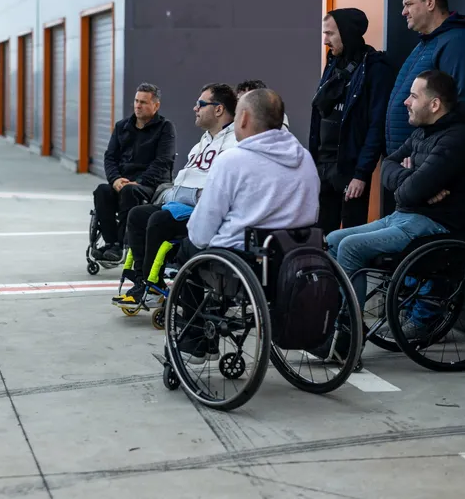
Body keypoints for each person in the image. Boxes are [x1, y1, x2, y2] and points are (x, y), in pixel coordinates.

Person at [326, 69, 465, 340]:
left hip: (435, 225)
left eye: (413, 96)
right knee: (333, 239)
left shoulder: (458, 139)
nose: (406, 102)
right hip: (406, 216)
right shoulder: (423, 133)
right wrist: (413, 177)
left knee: (351, 247)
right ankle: (340, 320)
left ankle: (348, 335)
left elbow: (408, 193)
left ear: (434, 104)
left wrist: (412, 184)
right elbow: (388, 164)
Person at [172, 87, 320, 362]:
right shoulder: (304, 157)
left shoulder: (232, 161)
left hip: (243, 261)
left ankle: (196, 342)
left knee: (187, 250)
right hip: (295, 257)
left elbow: (201, 232)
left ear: (244, 118)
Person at [113, 83, 238, 307]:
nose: (195, 108)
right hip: (181, 203)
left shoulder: (233, 143)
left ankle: (152, 287)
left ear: (218, 109)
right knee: (137, 215)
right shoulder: (204, 141)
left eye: (200, 104)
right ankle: (144, 282)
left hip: (204, 212)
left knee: (159, 220)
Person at [308, 8, 395, 234]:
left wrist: (361, 174)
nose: (325, 41)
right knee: (320, 235)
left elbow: (377, 126)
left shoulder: (375, 67)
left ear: (347, 33)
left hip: (349, 170)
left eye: (330, 34)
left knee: (350, 235)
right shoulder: (333, 63)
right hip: (322, 166)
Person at [386, 0, 465, 161]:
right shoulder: (426, 44)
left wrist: (430, 161)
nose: (403, 12)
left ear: (430, 2)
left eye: (408, 4)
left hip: (427, 164)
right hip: (412, 162)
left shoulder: (458, 43)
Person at [91, 82, 176, 262]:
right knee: (102, 191)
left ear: (156, 105)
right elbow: (110, 157)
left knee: (130, 191)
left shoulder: (165, 128)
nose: (138, 105)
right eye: (136, 101)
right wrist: (115, 179)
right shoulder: (122, 127)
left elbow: (163, 161)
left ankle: (123, 245)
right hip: (122, 182)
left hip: (151, 185)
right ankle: (112, 243)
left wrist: (139, 181)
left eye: (143, 102)